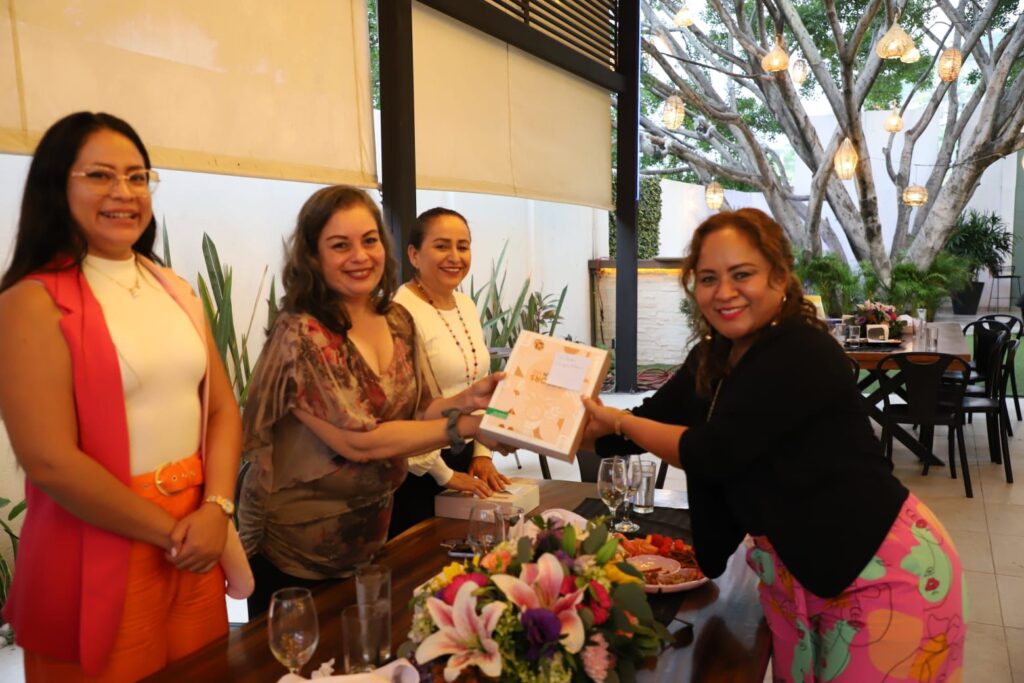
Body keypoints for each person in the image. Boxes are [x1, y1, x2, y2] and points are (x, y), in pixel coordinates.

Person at [582, 209, 965, 682]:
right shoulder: (712, 356)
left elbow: (712, 452)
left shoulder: (801, 349)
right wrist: (541, 419)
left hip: (878, 568)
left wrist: (619, 420)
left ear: (780, 277)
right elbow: (640, 425)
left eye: (742, 274)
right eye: (708, 278)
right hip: (798, 572)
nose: (724, 291)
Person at [0, 112, 251, 682]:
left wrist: (216, 509)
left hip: (197, 533)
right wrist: (173, 533)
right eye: (100, 175)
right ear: (56, 186)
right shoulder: (31, 301)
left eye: (138, 177)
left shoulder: (173, 287)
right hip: (100, 542)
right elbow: (49, 460)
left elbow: (220, 410)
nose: (124, 192)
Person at [237, 186, 504, 617]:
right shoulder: (301, 334)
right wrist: (467, 426)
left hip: (372, 540)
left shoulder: (396, 320)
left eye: (369, 240)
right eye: (340, 245)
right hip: (294, 554)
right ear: (312, 255)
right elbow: (359, 441)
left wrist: (469, 399)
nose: (360, 256)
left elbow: (419, 410)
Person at [388, 207, 512, 538]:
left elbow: (478, 385)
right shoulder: (399, 312)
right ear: (414, 255)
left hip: (465, 452)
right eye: (442, 246)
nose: (455, 257)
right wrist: (444, 474)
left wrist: (482, 453)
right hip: (419, 469)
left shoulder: (465, 305)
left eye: (463, 246)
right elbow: (402, 410)